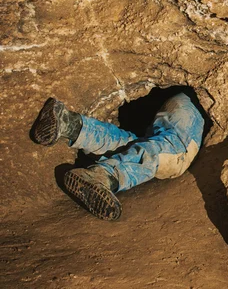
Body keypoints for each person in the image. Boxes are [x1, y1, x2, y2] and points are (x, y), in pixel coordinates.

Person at [30, 92, 205, 221]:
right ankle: (105, 176)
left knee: (134, 146)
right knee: (174, 157)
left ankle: (69, 123)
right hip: (193, 106)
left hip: (180, 103)